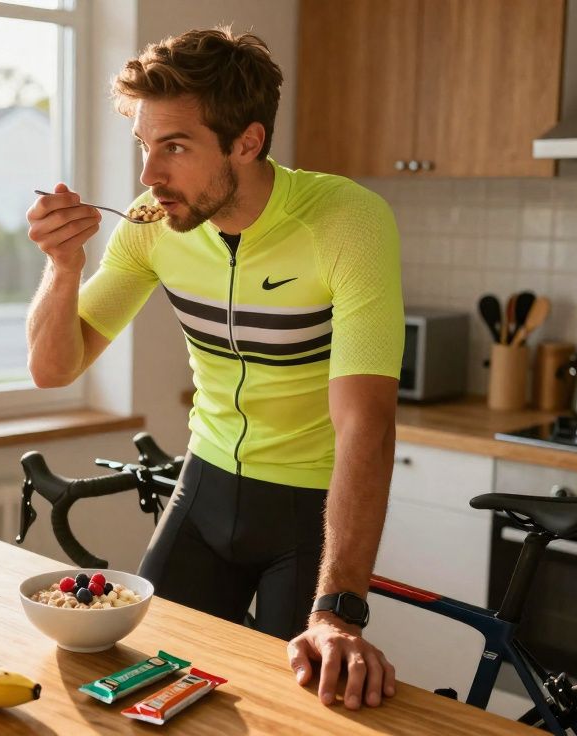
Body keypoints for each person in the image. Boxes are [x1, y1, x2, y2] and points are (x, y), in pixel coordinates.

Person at [25, 26, 403, 711]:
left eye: (174, 147)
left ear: (248, 142)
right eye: (144, 145)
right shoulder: (149, 223)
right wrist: (62, 268)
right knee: (140, 692)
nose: (148, 175)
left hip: (308, 512)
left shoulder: (346, 220)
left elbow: (367, 424)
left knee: (294, 713)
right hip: (203, 491)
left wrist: (341, 608)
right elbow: (55, 367)